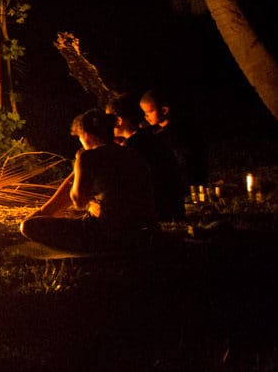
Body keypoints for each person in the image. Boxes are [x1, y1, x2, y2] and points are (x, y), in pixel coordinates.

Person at [21, 109, 156, 253]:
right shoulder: (133, 154)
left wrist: (80, 172)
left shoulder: (87, 158)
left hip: (107, 236)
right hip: (142, 234)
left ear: (87, 135)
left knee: (29, 227)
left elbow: (79, 202)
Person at [108, 96, 184, 221]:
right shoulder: (151, 137)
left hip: (155, 214)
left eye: (108, 120)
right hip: (172, 208)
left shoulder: (131, 148)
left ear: (119, 120)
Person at [140, 90, 208, 187]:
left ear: (164, 110)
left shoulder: (179, 132)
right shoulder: (153, 131)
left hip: (186, 182)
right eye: (144, 112)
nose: (146, 116)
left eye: (150, 111)